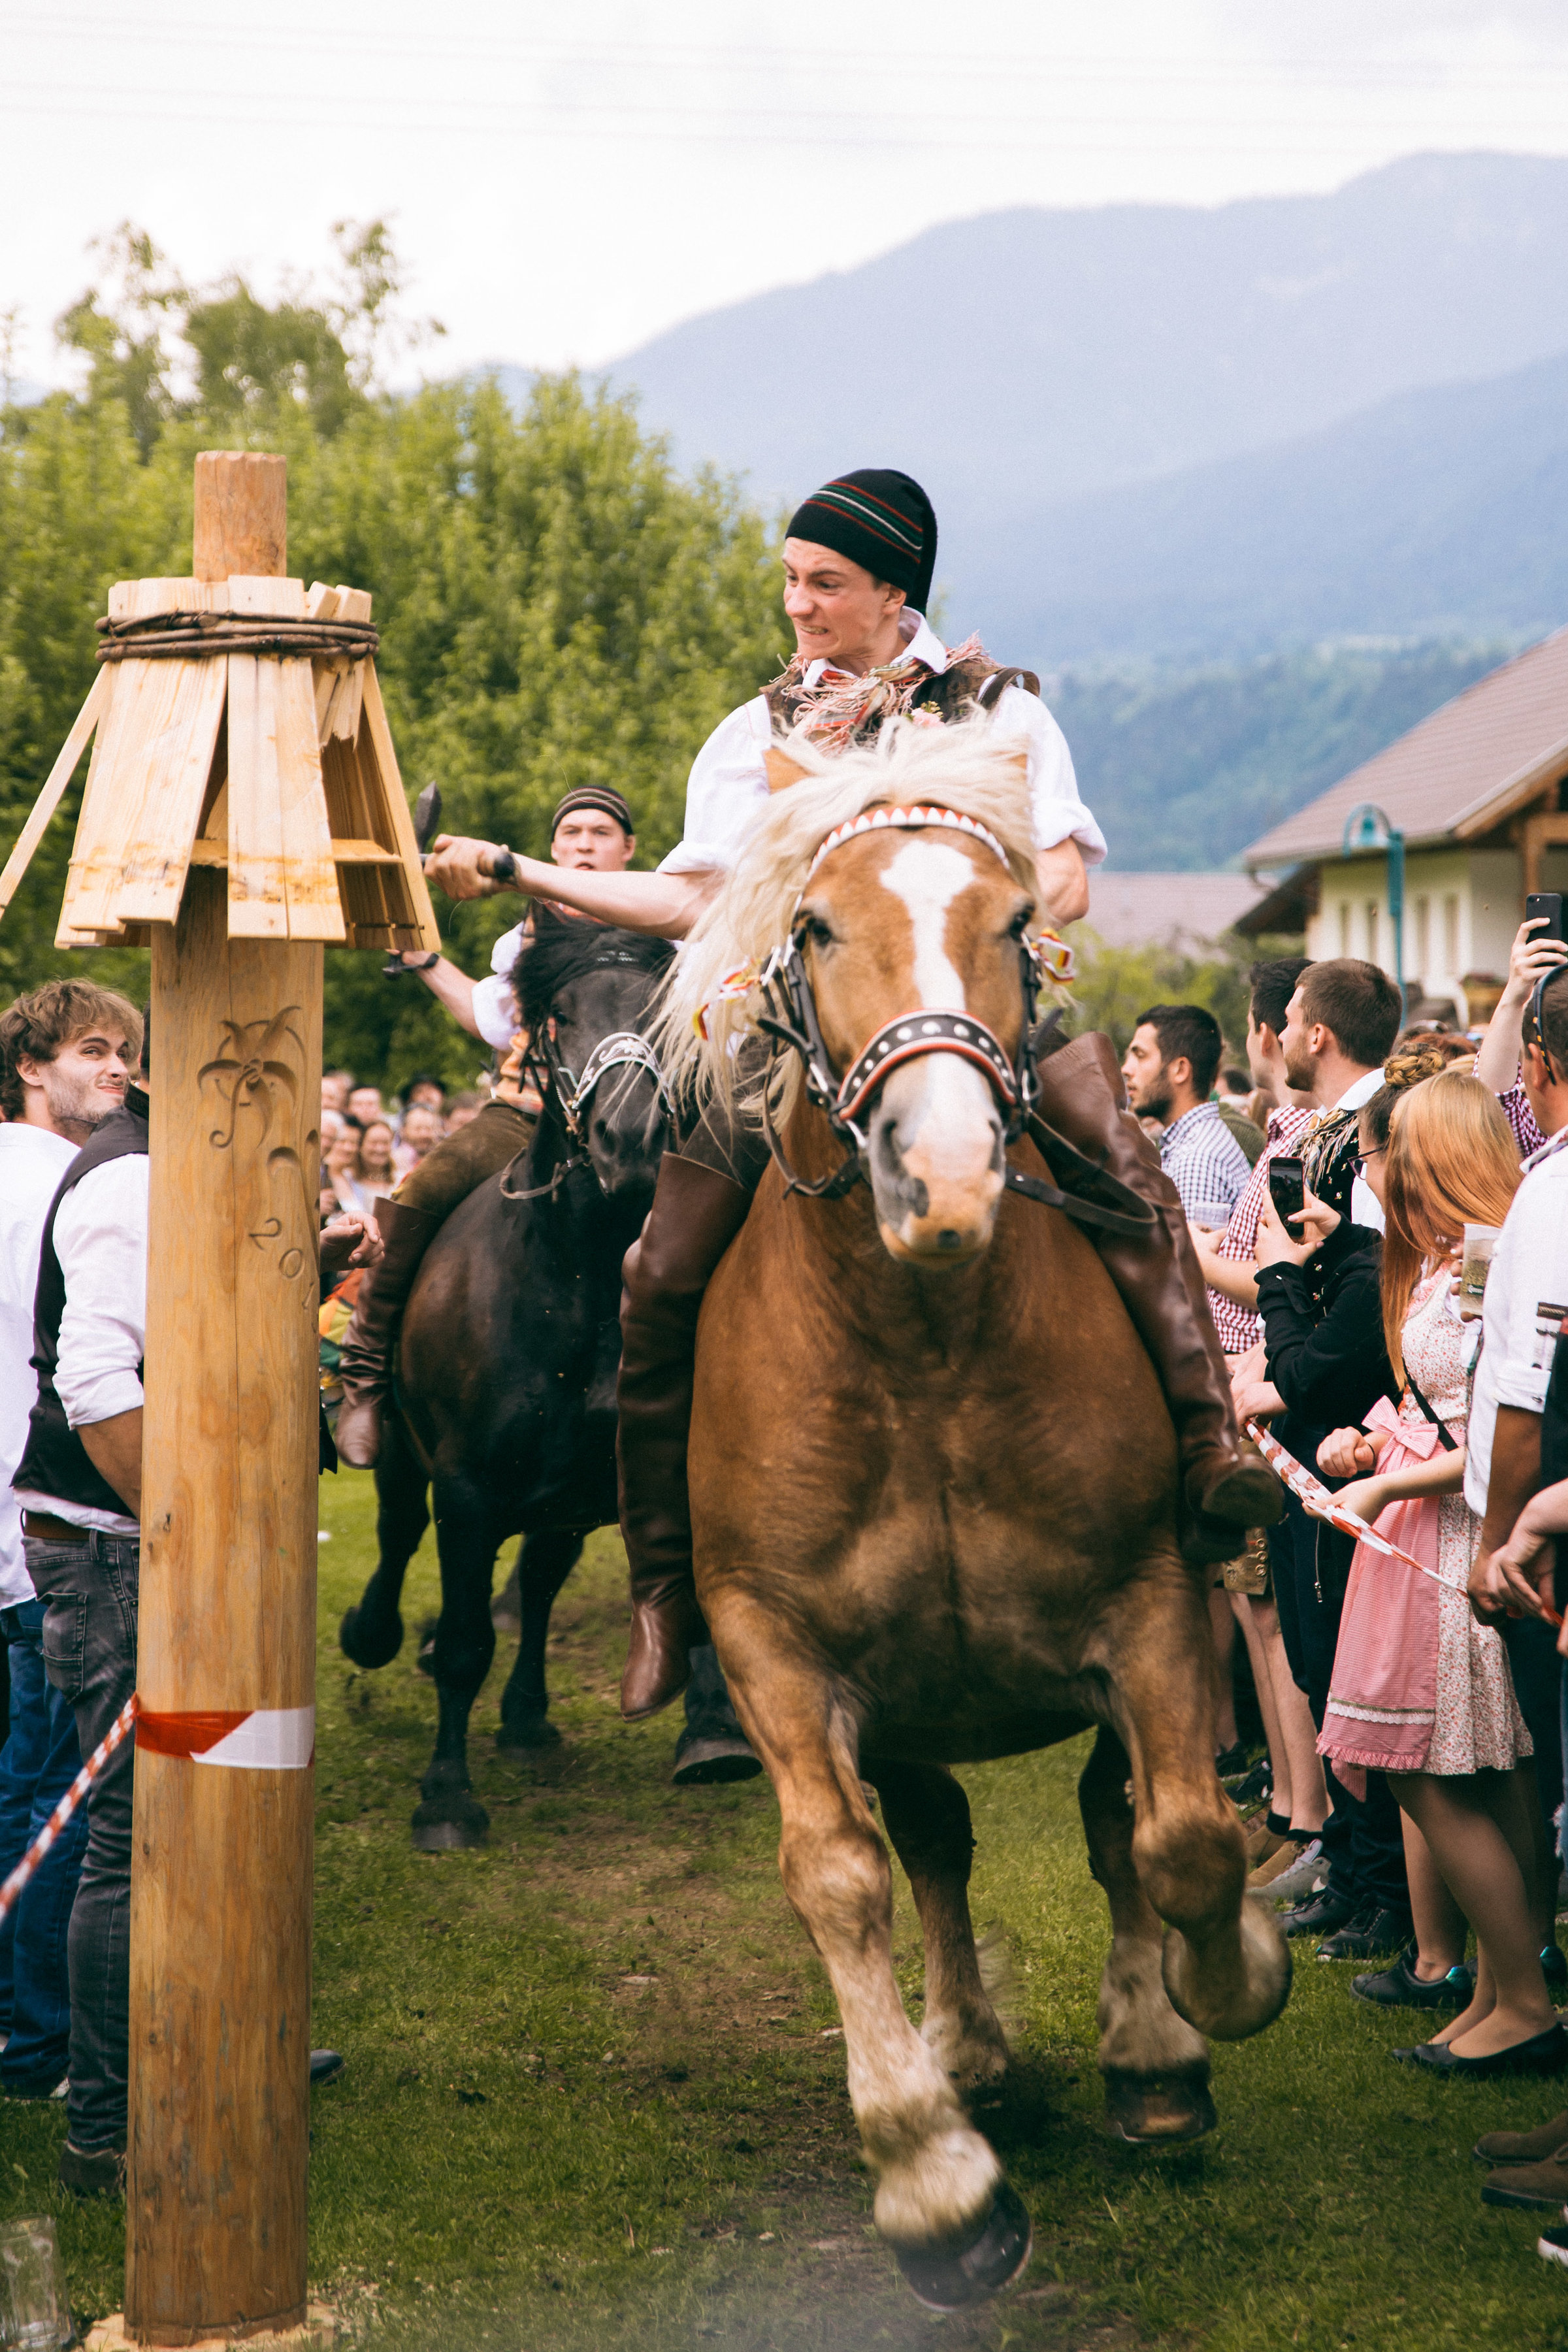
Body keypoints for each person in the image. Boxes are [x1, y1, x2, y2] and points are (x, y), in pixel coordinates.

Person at [426, 464, 1280, 1719]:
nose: (797, 604)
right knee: (659, 1271)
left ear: (894, 592)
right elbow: (691, 899)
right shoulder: (755, 732)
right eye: (789, 579)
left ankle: (1207, 1453)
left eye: (823, 582)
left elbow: (1068, 880)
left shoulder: (997, 709)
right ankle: (665, 1587)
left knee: (1132, 1176)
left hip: (980, 1017)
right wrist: (522, 874)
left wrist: (938, 926)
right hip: (792, 1048)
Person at [1315, 1072, 1558, 2073]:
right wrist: (1374, 1445)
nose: (1388, 1183)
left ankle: (1523, 2000)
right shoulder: (1449, 1262)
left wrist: (1386, 1481)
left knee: (1444, 1774)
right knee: (1476, 1777)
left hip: (1459, 1542)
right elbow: (1444, 1410)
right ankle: (1501, 1993)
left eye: (1404, 1163)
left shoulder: (1492, 1257)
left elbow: (1495, 1431)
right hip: (1433, 1534)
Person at [333, 783, 643, 1469]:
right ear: (552, 849)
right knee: (425, 1187)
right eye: (571, 834)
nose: (584, 845)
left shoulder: (663, 917)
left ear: (628, 849)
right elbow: (493, 1020)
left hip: (634, 1120)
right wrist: (422, 958)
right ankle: (364, 1376)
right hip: (527, 1115)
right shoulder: (523, 935)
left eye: (599, 833)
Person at [1243, 962, 1409, 1961]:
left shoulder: (1374, 1132)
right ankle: (1351, 1867)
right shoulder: (1328, 1134)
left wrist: (1279, 1280)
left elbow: (1352, 1326)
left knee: (1348, 1667)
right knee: (1317, 1661)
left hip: (1355, 1438)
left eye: (1292, 1016)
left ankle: (1380, 1883)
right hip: (1321, 1428)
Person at [0, 984, 139, 2106]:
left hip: (24, 1529)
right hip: (55, 1527)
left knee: (38, 1786)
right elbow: (88, 1370)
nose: (119, 1069)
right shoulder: (65, 1178)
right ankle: (45, 2042)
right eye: (93, 1050)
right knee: (67, 1800)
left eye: (126, 1051)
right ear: (30, 1067)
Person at [1466, 964, 1568, 1975]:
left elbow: (1526, 1399)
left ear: (1539, 1063)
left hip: (1550, 1538)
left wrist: (1500, 1545)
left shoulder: (1551, 1193)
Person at [1120, 1004, 1252, 1228]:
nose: (1126, 1069)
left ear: (1180, 1070)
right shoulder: (1197, 1142)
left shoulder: (1195, 1161)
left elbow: (1189, 1252)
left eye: (1140, 1056)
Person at [354, 1117, 399, 1205]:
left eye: (385, 1143)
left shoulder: (399, 1181)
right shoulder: (348, 1179)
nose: (380, 1149)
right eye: (374, 1143)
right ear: (361, 1145)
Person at [394, 1102, 443, 1175]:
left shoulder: (443, 1161)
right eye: (418, 1129)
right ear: (403, 1131)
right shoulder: (393, 1162)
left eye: (429, 1129)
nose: (424, 1134)